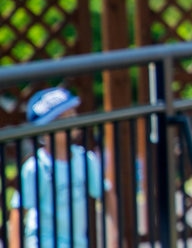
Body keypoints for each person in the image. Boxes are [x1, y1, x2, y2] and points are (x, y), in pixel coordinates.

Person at [6, 87, 117, 248]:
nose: (71, 121)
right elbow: (19, 211)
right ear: (44, 130)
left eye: (72, 114)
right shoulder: (36, 167)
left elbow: (106, 193)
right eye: (61, 118)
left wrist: (116, 233)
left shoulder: (85, 159)